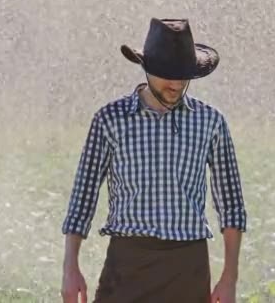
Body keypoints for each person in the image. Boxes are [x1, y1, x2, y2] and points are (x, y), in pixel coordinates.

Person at [60, 18, 247, 303]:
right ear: (147, 69)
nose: (175, 84)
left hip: (188, 269)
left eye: (183, 75)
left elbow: (231, 205)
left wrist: (229, 278)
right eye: (167, 74)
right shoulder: (110, 119)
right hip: (127, 266)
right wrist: (70, 267)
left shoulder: (210, 122)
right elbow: (83, 198)